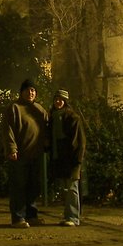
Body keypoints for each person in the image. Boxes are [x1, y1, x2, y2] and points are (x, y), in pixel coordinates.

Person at [2, 78, 49, 228]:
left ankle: (32, 215)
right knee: (19, 186)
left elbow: (47, 128)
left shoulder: (40, 110)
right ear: (22, 92)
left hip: (36, 155)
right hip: (20, 155)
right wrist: (11, 149)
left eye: (33, 90)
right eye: (28, 90)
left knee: (34, 186)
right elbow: (8, 130)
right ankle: (18, 218)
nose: (31, 92)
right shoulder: (14, 108)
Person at [49, 89, 87, 226]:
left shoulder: (72, 118)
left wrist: (77, 160)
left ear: (65, 101)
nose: (58, 102)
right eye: (56, 99)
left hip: (70, 159)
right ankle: (69, 216)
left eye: (61, 99)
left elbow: (80, 142)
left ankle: (73, 217)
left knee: (72, 188)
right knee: (66, 188)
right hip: (60, 158)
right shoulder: (54, 117)